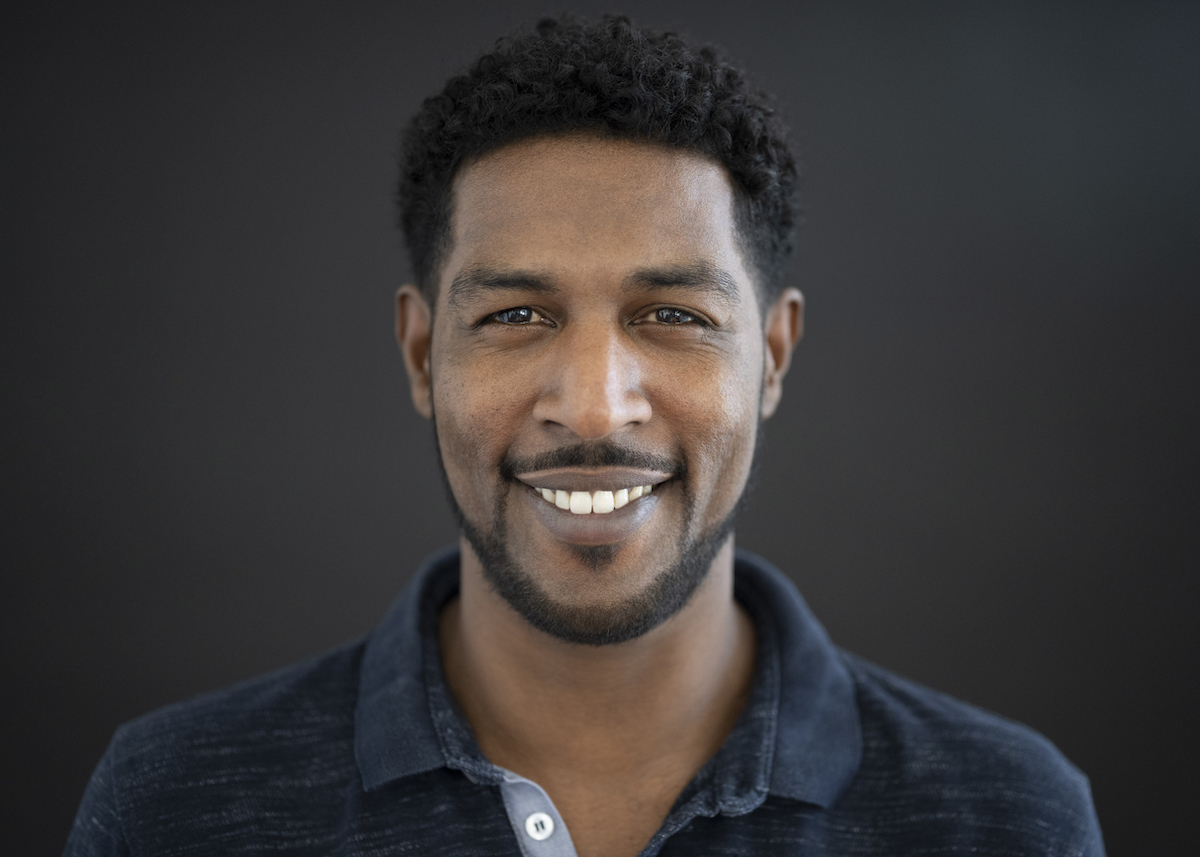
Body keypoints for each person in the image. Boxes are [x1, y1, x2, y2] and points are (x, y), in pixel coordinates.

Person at [65, 15, 1104, 857]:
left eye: (674, 316)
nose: (599, 407)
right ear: (423, 355)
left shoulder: (1005, 816)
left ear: (773, 357)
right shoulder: (172, 807)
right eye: (516, 316)